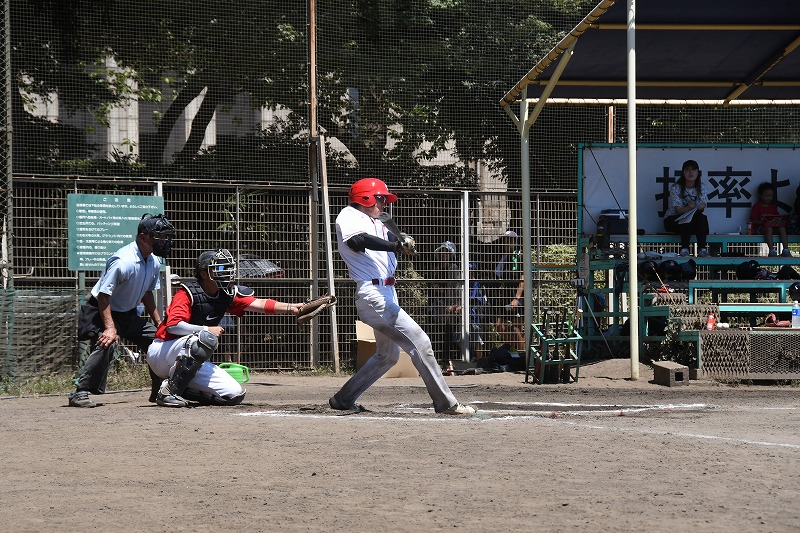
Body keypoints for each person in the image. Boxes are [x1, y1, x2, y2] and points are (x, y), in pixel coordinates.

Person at [329, 178, 475, 415]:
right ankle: (446, 404)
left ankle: (343, 398)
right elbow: (357, 241)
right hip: (373, 294)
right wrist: (395, 246)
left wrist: (401, 240)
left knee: (388, 355)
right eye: (380, 199)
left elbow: (388, 238)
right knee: (421, 342)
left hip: (388, 292)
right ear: (365, 198)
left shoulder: (375, 221)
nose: (384, 203)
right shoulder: (349, 214)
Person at [146, 249, 302, 407]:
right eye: (219, 268)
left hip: (187, 360)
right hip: (163, 350)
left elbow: (260, 304)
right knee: (204, 338)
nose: (226, 271)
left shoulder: (226, 294)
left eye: (226, 267)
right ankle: (168, 393)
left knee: (234, 394)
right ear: (204, 274)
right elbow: (173, 326)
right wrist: (206, 329)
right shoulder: (187, 292)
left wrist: (292, 307)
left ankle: (175, 387)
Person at [69, 213, 176, 408]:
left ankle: (160, 390)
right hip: (102, 310)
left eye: (164, 236)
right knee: (107, 342)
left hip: (128, 314)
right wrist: (110, 328)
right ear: (143, 237)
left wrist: (159, 323)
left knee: (158, 340)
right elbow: (103, 295)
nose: (163, 241)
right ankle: (80, 392)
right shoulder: (123, 261)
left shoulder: (153, 261)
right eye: (158, 236)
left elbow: (147, 294)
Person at [663, 159, 710, 257]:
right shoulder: (676, 187)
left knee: (702, 218)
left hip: (693, 221)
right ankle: (684, 249)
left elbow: (701, 206)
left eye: (693, 169)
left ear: (698, 172)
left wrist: (701, 207)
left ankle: (702, 249)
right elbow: (678, 210)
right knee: (686, 218)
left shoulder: (702, 187)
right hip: (673, 220)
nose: (691, 172)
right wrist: (689, 207)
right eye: (687, 170)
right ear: (683, 173)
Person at [426, 241, 463, 363]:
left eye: (446, 253)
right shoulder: (436, 271)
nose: (443, 256)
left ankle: (448, 362)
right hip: (438, 308)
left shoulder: (454, 269)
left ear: (450, 255)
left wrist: (455, 304)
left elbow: (457, 289)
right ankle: (436, 360)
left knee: (449, 334)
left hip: (450, 308)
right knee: (436, 334)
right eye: (441, 253)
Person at [489, 230, 523, 347]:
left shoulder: (519, 256)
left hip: (518, 297)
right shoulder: (504, 258)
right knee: (499, 325)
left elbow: (523, 279)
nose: (507, 243)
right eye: (506, 240)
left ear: (515, 242)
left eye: (510, 240)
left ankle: (522, 354)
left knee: (516, 328)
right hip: (506, 297)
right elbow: (497, 276)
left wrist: (516, 299)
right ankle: (513, 350)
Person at [750, 182, 792, 257]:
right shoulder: (757, 206)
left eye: (771, 196)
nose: (769, 198)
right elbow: (752, 220)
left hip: (773, 227)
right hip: (760, 229)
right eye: (766, 196)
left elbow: (777, 217)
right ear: (760, 195)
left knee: (782, 228)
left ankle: (786, 250)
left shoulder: (772, 207)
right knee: (768, 228)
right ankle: (771, 250)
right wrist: (762, 222)